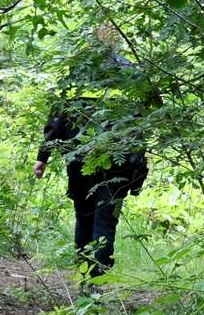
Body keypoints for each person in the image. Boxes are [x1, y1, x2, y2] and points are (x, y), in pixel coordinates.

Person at [33, 24, 152, 293]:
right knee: (105, 221)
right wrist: (140, 161)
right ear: (117, 43)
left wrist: (43, 156)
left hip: (80, 158)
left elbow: (57, 117)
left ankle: (85, 276)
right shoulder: (130, 73)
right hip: (117, 162)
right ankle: (96, 284)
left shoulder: (78, 73)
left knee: (84, 217)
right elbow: (141, 124)